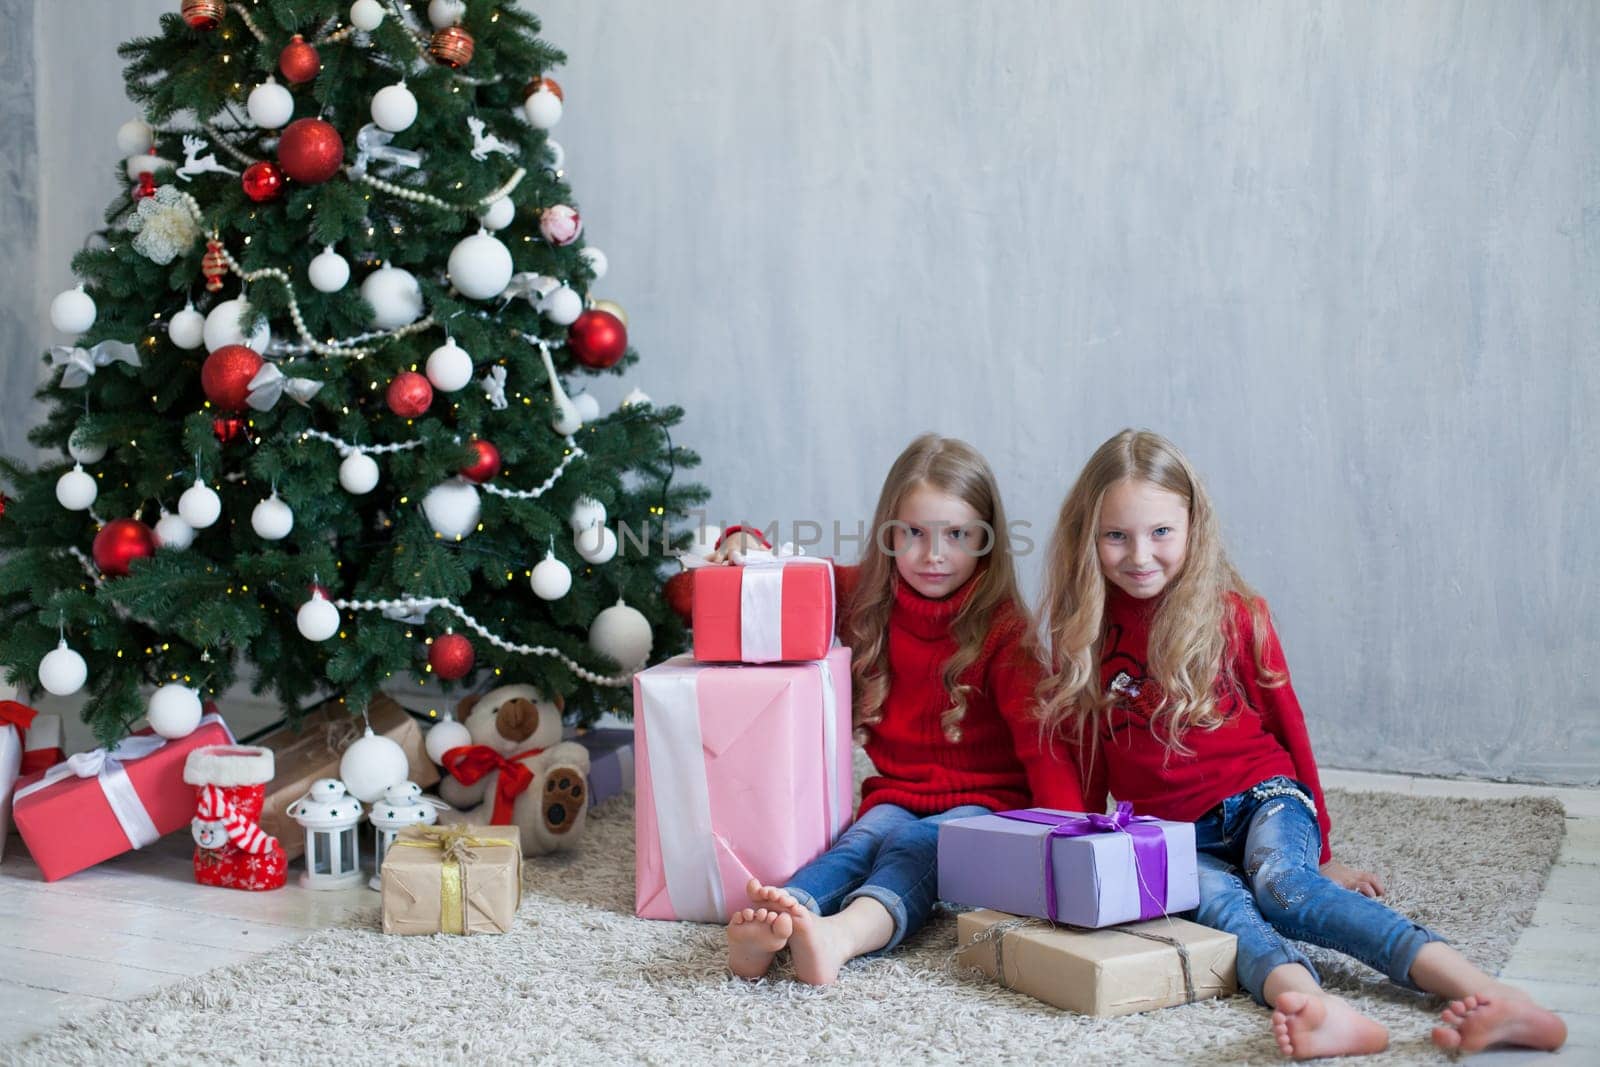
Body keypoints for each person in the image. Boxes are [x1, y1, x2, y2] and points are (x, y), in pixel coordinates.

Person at [1037, 428, 1566, 1059]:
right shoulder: (1083, 637)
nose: (1139, 554)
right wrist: (1084, 854)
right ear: (1086, 538)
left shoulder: (1235, 613)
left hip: (1262, 798)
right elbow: (1086, 760)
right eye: (1116, 536)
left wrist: (1324, 849)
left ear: (1193, 528)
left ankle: (1491, 994)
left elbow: (1290, 729)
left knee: (1282, 884)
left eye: (1160, 533)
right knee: (1223, 913)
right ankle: (1314, 1007)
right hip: (1173, 834)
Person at [710, 433, 1085, 984]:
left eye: (957, 535)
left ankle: (844, 935)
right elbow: (779, 577)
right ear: (889, 533)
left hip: (987, 806)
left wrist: (1074, 842)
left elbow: (1043, 747)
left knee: (917, 846)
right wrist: (741, 542)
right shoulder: (867, 598)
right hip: (898, 792)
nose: (933, 555)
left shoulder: (1006, 632)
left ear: (987, 540)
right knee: (860, 840)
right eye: (914, 534)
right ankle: (784, 914)